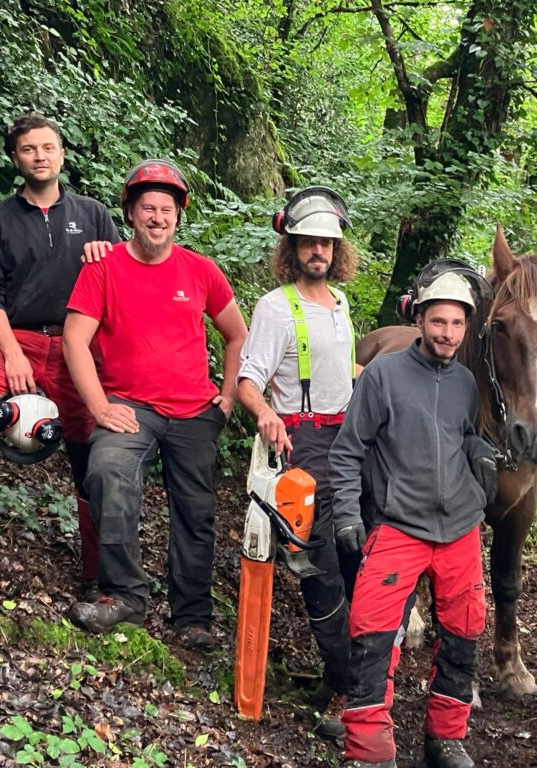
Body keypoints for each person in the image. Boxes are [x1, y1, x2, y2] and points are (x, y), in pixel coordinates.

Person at [0, 113, 120, 598]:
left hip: (79, 348)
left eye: (48, 147)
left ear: (62, 154)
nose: (40, 156)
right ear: (16, 158)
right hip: (20, 339)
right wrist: (10, 352)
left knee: (96, 450)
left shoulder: (93, 214)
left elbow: (124, 281)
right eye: (29, 149)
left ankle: (99, 575)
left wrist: (109, 256)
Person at [61, 159, 247, 650]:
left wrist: (226, 397)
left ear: (179, 216)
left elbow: (236, 334)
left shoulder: (200, 270)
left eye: (167, 209)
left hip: (193, 412)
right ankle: (124, 595)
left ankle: (193, 618)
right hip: (129, 407)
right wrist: (99, 406)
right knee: (107, 474)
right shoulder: (104, 268)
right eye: (148, 208)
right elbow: (74, 341)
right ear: (131, 213)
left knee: (196, 510)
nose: (158, 217)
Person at [329, 268, 498, 768]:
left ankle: (445, 738)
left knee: (464, 633)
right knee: (374, 634)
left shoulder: (467, 381)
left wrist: (478, 451)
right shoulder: (384, 375)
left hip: (459, 529)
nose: (448, 333)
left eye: (457, 324)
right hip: (398, 524)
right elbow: (347, 451)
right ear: (420, 319)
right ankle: (368, 748)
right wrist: (345, 513)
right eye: (438, 321)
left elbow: (458, 433)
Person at [235, 186, 359, 739]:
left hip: (351, 442)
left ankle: (355, 675)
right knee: (317, 565)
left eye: (327, 243)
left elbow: (344, 375)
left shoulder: (341, 304)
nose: (319, 251)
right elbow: (247, 382)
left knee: (357, 558)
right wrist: (266, 413)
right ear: (293, 246)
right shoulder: (273, 307)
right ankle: (345, 682)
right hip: (301, 447)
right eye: (309, 242)